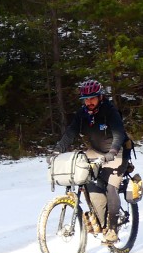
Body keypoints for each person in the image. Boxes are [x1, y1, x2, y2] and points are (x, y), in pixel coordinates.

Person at [55, 78, 129, 243]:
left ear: (100, 97)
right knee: (85, 179)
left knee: (111, 187)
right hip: (95, 151)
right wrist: (58, 149)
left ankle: (112, 228)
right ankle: (99, 221)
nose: (89, 102)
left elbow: (119, 133)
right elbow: (71, 132)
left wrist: (113, 151)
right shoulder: (82, 114)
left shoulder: (109, 111)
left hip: (117, 152)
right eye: (86, 99)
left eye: (92, 98)